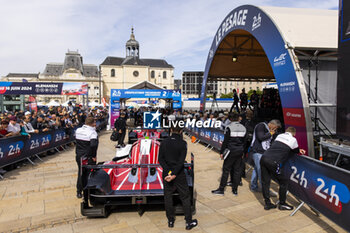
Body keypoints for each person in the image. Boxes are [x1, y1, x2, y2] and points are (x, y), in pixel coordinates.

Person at [159, 125, 198, 230]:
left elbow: (160, 159)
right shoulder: (183, 143)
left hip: (167, 173)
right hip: (179, 173)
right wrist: (174, 174)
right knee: (185, 197)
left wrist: (169, 173)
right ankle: (188, 222)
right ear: (180, 131)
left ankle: (170, 220)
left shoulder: (164, 142)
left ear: (171, 130)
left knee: (168, 197)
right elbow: (181, 161)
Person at [261, 127, 306, 210]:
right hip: (273, 161)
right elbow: (295, 151)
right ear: (294, 134)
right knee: (284, 182)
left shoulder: (280, 135)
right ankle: (282, 204)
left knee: (265, 181)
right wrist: (300, 150)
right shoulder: (293, 140)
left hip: (264, 157)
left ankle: (267, 203)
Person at [212, 113, 246, 195]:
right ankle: (235, 190)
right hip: (240, 151)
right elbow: (244, 142)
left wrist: (221, 152)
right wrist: (243, 152)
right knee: (237, 170)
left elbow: (225, 141)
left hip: (231, 151)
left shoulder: (229, 127)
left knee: (226, 170)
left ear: (230, 119)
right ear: (238, 119)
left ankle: (221, 189)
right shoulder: (244, 127)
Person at [250, 119, 281, 192]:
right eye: (275, 127)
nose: (275, 129)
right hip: (258, 151)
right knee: (261, 171)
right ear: (272, 124)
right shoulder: (261, 126)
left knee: (257, 170)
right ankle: (265, 190)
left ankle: (254, 186)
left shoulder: (267, 129)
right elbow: (260, 137)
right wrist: (270, 133)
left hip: (263, 152)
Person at [75, 117, 98, 198]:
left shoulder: (78, 130)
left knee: (81, 173)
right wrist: (93, 156)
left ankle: (79, 191)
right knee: (89, 173)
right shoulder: (92, 133)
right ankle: (87, 191)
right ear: (93, 123)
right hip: (88, 156)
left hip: (79, 155)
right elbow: (93, 145)